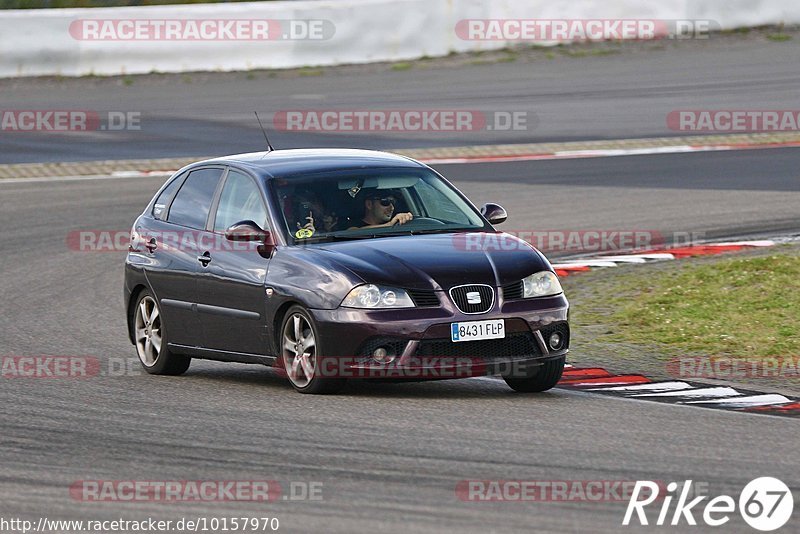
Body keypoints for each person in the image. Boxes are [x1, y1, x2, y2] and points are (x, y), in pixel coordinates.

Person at [349, 190, 413, 229]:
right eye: (385, 202)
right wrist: (390, 225)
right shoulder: (352, 224)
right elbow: (352, 232)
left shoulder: (398, 222)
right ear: (369, 204)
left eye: (393, 202)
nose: (392, 208)